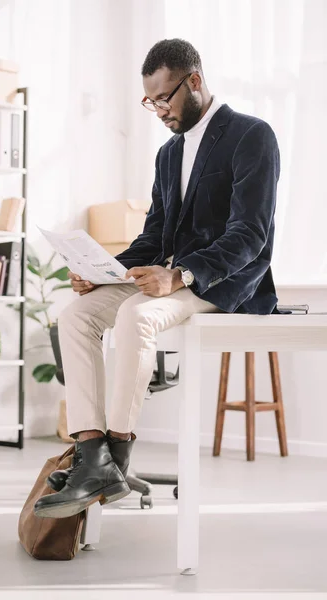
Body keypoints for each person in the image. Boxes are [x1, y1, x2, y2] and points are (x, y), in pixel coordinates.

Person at [34, 38, 280, 519]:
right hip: (169, 276)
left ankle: (118, 453)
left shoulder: (252, 135)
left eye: (164, 97)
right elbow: (153, 237)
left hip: (222, 281)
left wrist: (181, 274)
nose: (158, 109)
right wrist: (102, 273)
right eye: (150, 101)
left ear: (194, 81)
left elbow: (250, 234)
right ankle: (92, 453)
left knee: (136, 314)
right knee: (76, 315)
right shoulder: (169, 154)